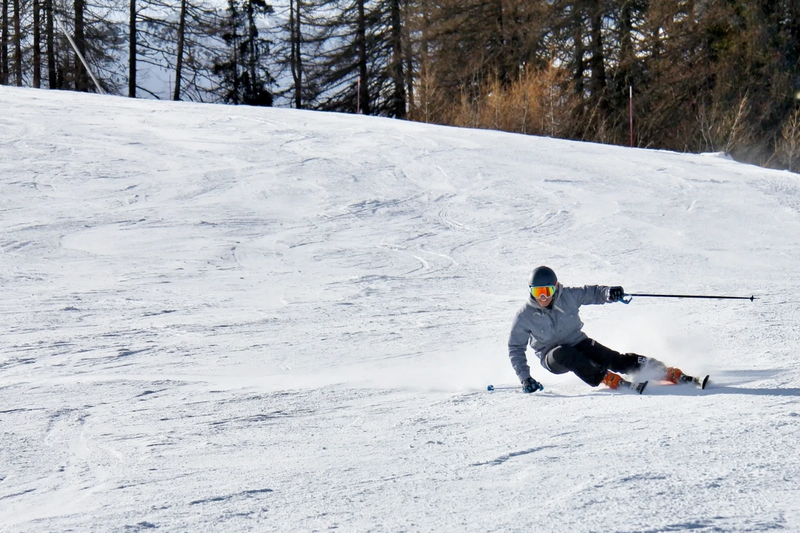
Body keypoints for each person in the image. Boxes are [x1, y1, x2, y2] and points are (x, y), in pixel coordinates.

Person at [508, 265, 686, 393]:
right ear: (531, 291)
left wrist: (609, 293)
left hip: (577, 342)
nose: (544, 297)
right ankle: (604, 377)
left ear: (555, 288)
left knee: (611, 358)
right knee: (563, 352)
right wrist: (525, 378)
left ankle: (662, 371)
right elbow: (515, 348)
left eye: (547, 291)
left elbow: (591, 292)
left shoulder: (568, 296)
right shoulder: (524, 316)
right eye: (538, 293)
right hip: (553, 358)